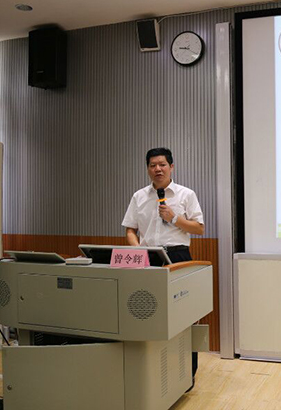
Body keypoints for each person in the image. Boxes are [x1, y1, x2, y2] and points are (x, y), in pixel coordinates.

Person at [121, 147, 204, 389]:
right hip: (147, 257)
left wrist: (174, 218)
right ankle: (152, 374)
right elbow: (130, 229)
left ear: (171, 167)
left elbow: (199, 228)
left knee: (183, 315)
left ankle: (186, 375)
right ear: (147, 168)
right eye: (152, 165)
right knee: (146, 313)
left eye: (162, 165)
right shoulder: (139, 196)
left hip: (178, 256)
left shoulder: (186, 194)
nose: (157, 169)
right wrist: (138, 250)